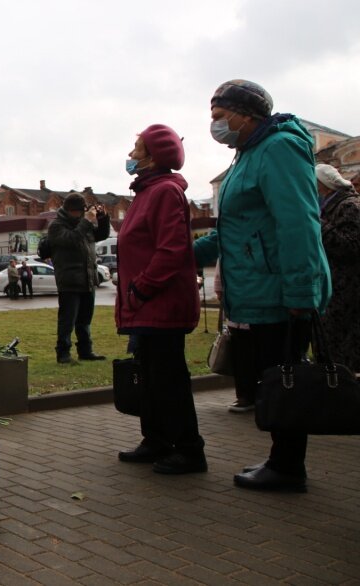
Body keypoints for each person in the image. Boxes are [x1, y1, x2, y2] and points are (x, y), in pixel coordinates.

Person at [194, 79, 330, 493]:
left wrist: (301, 294)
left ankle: (288, 467)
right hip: (259, 290)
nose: (215, 124)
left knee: (285, 376)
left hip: (281, 293)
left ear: (246, 114)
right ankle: (281, 457)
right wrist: (185, 255)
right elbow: (237, 229)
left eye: (220, 115)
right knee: (273, 378)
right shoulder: (246, 155)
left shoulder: (278, 148)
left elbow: (298, 223)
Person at [115, 124, 206, 474]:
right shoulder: (145, 192)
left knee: (169, 379)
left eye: (137, 149)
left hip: (160, 304)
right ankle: (155, 440)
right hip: (145, 307)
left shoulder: (165, 192)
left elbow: (171, 250)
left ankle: (189, 449)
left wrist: (141, 289)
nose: (131, 154)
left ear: (153, 157)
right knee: (150, 377)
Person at [47, 193, 110, 363]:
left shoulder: (84, 224)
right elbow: (72, 240)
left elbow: (102, 235)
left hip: (87, 279)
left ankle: (85, 351)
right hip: (69, 281)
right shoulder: (57, 226)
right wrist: (86, 221)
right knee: (67, 320)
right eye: (80, 211)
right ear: (70, 210)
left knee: (85, 320)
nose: (83, 214)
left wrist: (103, 218)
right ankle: (63, 353)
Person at [315, 164, 360, 372]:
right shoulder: (332, 206)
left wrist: (318, 224)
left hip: (347, 291)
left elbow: (349, 245)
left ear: (325, 186)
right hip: (335, 288)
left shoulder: (349, 206)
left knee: (344, 349)